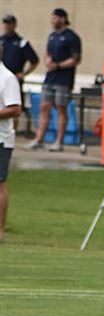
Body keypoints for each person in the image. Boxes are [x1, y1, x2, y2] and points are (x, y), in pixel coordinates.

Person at [27, 8, 80, 152]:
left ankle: (59, 141)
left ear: (62, 19)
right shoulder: (52, 36)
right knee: (44, 106)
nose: (52, 21)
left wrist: (58, 65)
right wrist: (48, 61)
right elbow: (47, 53)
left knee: (61, 107)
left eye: (55, 18)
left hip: (63, 79)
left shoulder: (71, 37)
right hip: (50, 77)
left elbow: (75, 59)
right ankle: (39, 139)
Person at [0, 64, 20, 242]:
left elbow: (15, 108)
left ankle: (0, 230)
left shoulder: (7, 78)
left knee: (0, 184)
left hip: (1, 139)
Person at [1, 14, 39, 90]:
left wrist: (24, 74)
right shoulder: (1, 41)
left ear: (14, 25)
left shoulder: (22, 42)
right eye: (5, 23)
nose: (7, 26)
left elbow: (34, 61)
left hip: (14, 80)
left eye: (9, 23)